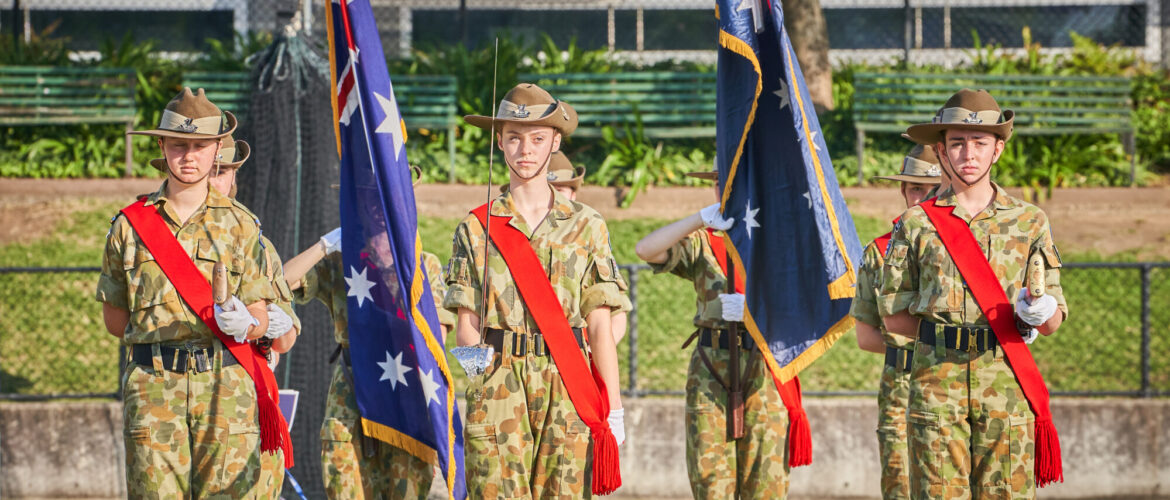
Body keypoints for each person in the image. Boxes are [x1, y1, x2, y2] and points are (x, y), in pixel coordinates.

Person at [879, 89, 1068, 499]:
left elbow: (1053, 320)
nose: (969, 153)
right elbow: (893, 316)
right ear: (942, 151)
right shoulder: (915, 225)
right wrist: (945, 336)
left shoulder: (1029, 221)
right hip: (935, 388)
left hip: (1006, 386)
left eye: (980, 142)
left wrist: (1037, 314)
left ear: (997, 149)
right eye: (957, 142)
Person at [96, 88, 278, 498]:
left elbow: (260, 317)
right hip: (154, 389)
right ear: (161, 145)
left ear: (218, 150)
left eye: (200, 146)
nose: (189, 156)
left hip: (225, 386)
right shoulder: (128, 227)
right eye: (179, 145)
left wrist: (245, 323)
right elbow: (115, 320)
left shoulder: (242, 226)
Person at [447, 83, 626, 498]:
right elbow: (466, 324)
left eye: (537, 139)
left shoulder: (587, 224)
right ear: (500, 143)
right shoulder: (476, 227)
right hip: (499, 381)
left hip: (569, 384)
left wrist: (613, 407)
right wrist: (482, 381)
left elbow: (601, 325)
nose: (525, 150)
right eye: (513, 138)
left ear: (555, 142)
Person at [281, 168, 455, 500]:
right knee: (344, 485)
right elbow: (282, 281)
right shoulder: (341, 259)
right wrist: (325, 244)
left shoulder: (423, 264)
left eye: (387, 195)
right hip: (352, 390)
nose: (377, 206)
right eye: (366, 196)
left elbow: (437, 341)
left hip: (405, 394)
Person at [633, 168, 791, 499]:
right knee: (710, 479)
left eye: (734, 181)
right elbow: (646, 250)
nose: (724, 188)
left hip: (765, 364)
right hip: (710, 365)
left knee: (766, 480)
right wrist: (701, 218)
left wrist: (754, 311)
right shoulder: (704, 240)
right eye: (719, 181)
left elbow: (804, 302)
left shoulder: (778, 240)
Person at [172, 133, 300, 496]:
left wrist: (267, 322)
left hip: (242, 403)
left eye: (223, 171)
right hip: (172, 401)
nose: (213, 180)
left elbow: (287, 339)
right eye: (209, 171)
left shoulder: (258, 243)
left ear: (233, 179)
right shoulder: (154, 234)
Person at [849, 144, 943, 500]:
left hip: (954, 382)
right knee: (900, 488)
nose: (922, 197)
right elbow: (866, 336)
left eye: (932, 189)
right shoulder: (880, 251)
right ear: (903, 191)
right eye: (915, 188)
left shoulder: (966, 253)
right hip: (901, 387)